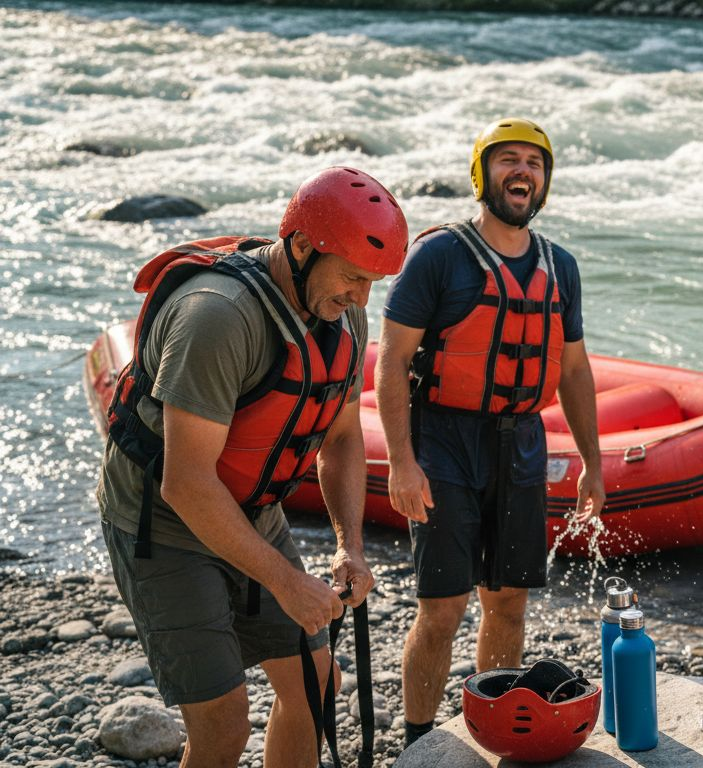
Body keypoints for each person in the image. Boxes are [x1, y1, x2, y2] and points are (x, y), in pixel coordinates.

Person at [98, 166, 409, 767]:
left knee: (316, 685)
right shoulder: (216, 318)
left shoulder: (342, 312)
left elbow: (342, 439)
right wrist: (288, 582)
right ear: (300, 248)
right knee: (222, 724)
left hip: (250, 508)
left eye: (373, 282)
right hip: (162, 523)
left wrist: (351, 548)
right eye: (352, 277)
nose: (361, 298)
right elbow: (186, 483)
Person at [376, 117, 606, 746]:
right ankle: (419, 739)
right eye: (508, 160)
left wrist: (593, 460)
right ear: (482, 174)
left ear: (545, 180)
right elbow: (391, 360)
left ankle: (494, 731)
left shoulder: (561, 267)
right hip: (444, 441)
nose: (522, 172)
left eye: (533, 163)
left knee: (507, 603)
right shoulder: (438, 255)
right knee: (443, 609)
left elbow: (575, 369)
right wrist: (401, 460)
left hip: (522, 445)